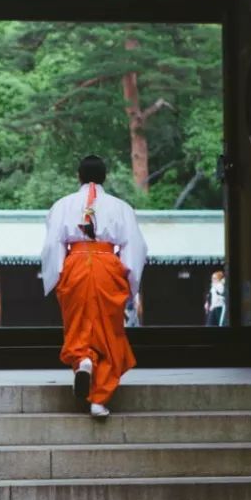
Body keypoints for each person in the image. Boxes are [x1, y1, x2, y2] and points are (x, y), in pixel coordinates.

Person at [41, 156, 147, 418]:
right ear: (105, 176)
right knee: (109, 332)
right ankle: (99, 400)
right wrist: (129, 283)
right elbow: (135, 247)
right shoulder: (121, 207)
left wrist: (58, 277)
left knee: (78, 324)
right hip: (108, 266)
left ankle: (83, 360)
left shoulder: (62, 205)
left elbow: (52, 245)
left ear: (79, 175)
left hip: (75, 263)